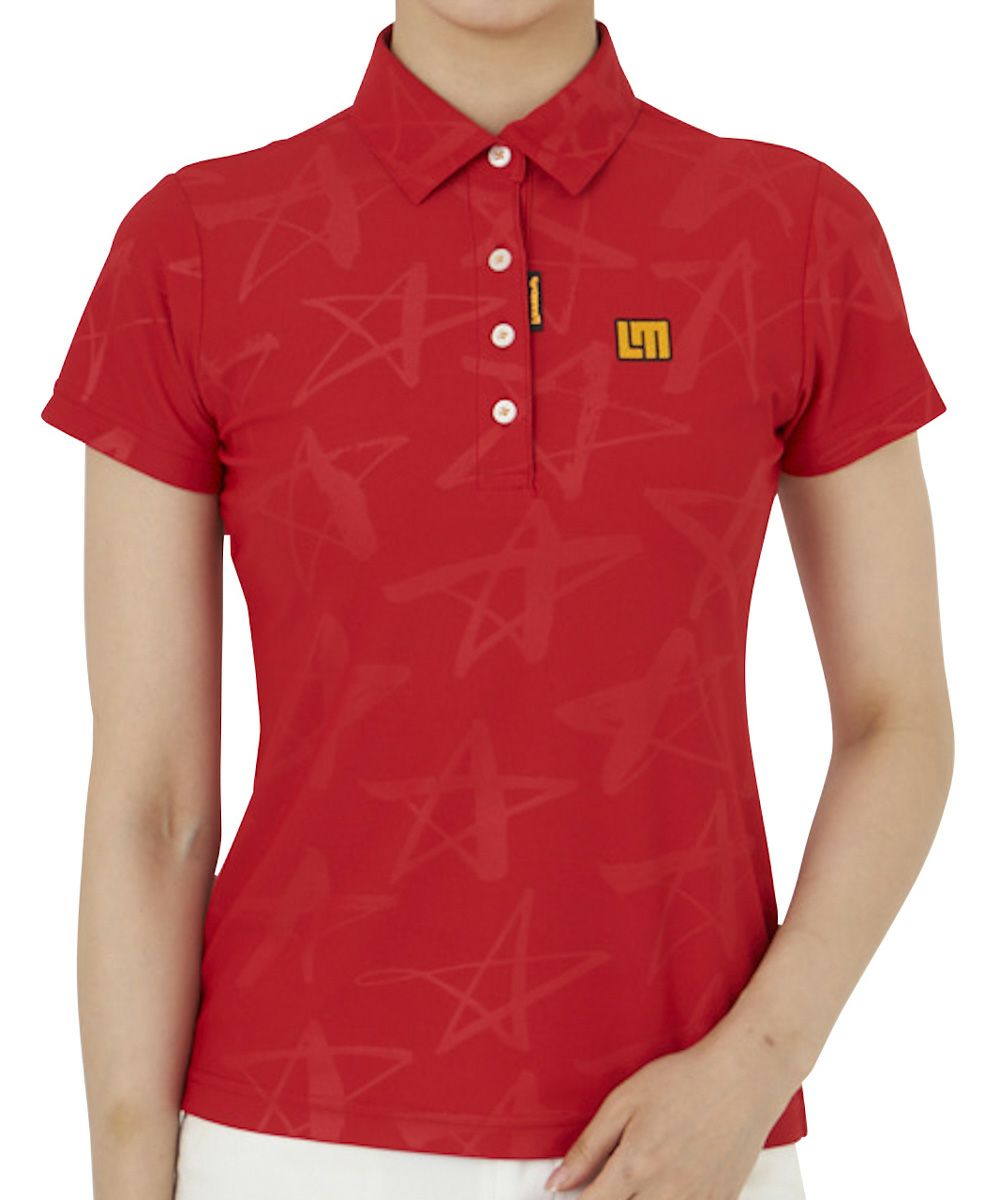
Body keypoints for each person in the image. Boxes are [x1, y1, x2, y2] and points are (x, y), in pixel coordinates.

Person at [39, 2, 954, 1198]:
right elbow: (152, 806)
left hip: (688, 1144)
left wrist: (754, 1069)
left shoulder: (791, 230)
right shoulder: (196, 244)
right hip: (285, 1141)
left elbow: (897, 718)